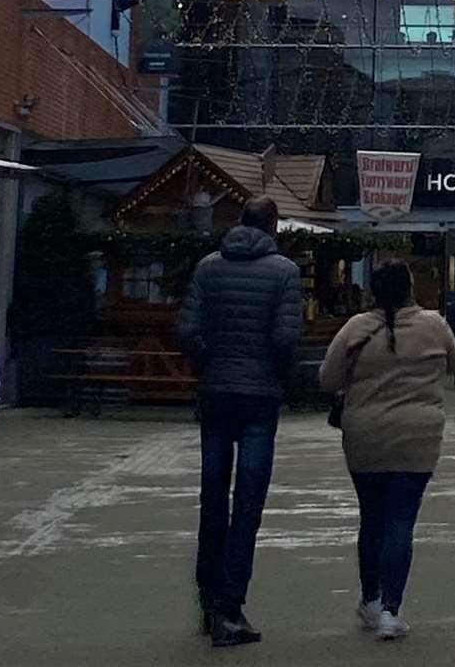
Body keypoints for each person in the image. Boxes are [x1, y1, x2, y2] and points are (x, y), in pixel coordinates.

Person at [178, 196, 304, 647]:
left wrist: (210, 364)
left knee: (212, 495)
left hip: (216, 391)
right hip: (259, 395)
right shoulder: (285, 272)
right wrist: (276, 374)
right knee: (247, 502)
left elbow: (187, 331)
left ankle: (208, 597)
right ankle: (230, 606)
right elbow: (287, 336)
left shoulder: (208, 267)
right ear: (272, 225)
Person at [319, 262, 455, 642]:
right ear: (411, 287)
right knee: (401, 521)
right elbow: (454, 365)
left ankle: (370, 598)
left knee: (372, 518)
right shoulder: (435, 325)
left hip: (365, 435)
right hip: (418, 435)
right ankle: (392, 612)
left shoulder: (356, 328)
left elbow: (327, 379)